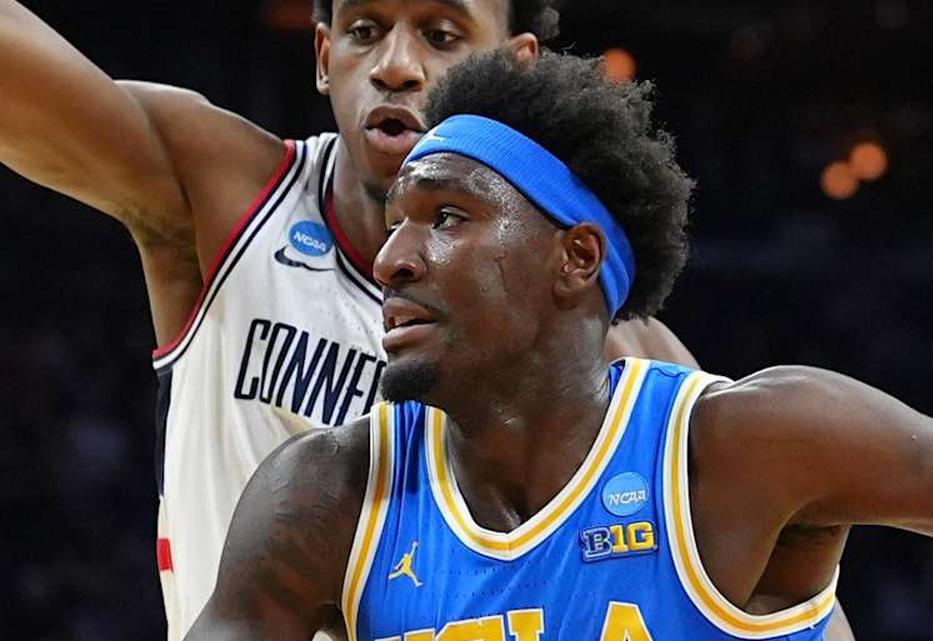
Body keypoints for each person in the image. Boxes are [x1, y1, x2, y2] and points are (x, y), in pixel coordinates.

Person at [185, 51, 933, 641]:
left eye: (445, 217)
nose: (393, 257)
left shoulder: (743, 448)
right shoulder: (324, 496)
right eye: (396, 222)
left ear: (575, 257)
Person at [0, 2, 752, 640]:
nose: (396, 64)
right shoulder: (222, 196)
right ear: (324, 55)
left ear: (514, 68)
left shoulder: (605, 343)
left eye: (442, 34)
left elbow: (771, 586)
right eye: (363, 28)